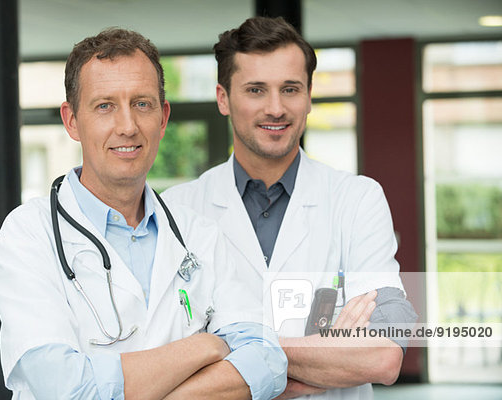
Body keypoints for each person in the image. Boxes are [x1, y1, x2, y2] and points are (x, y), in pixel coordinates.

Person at [0, 28, 287, 400]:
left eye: (142, 104)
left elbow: (269, 364)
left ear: (163, 118)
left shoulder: (199, 234)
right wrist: (204, 348)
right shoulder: (27, 237)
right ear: (72, 121)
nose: (127, 126)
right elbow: (65, 389)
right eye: (105, 106)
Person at [162, 16, 417, 399]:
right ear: (223, 98)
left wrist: (220, 348)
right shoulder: (175, 212)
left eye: (291, 89)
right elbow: (161, 362)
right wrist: (325, 350)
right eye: (256, 90)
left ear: (309, 95)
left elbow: (382, 356)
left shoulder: (358, 200)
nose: (276, 108)